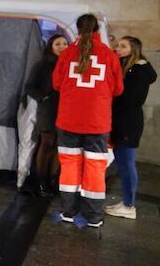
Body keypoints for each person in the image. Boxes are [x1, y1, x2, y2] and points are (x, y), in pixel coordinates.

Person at [52, 14, 123, 228]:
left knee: (70, 165)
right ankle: (93, 216)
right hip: (97, 122)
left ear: (77, 29)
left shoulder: (67, 54)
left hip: (68, 121)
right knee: (94, 167)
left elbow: (56, 83)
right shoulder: (109, 55)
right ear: (97, 28)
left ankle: (68, 211)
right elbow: (118, 88)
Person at [105, 36, 157, 220]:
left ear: (133, 49)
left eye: (123, 46)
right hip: (124, 122)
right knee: (123, 164)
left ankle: (129, 206)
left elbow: (129, 98)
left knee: (127, 165)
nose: (117, 48)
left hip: (128, 124)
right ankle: (126, 202)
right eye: (117, 45)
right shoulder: (129, 67)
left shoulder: (139, 71)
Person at [25, 34, 68, 197]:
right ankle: (40, 181)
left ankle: (52, 179)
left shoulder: (70, 65)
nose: (62, 46)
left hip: (64, 109)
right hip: (48, 109)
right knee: (47, 143)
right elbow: (29, 87)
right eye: (58, 44)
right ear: (51, 46)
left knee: (59, 145)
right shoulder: (42, 66)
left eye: (65, 43)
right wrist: (43, 97)